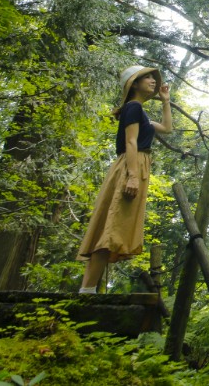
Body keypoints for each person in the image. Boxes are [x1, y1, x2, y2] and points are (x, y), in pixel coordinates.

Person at [77, 65, 172, 293]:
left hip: (136, 166)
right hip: (131, 166)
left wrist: (165, 100)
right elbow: (130, 142)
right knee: (112, 228)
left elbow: (167, 128)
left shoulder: (140, 111)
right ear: (134, 84)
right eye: (146, 77)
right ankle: (87, 292)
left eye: (152, 77)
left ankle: (86, 290)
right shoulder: (132, 107)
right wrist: (132, 176)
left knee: (112, 228)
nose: (152, 80)